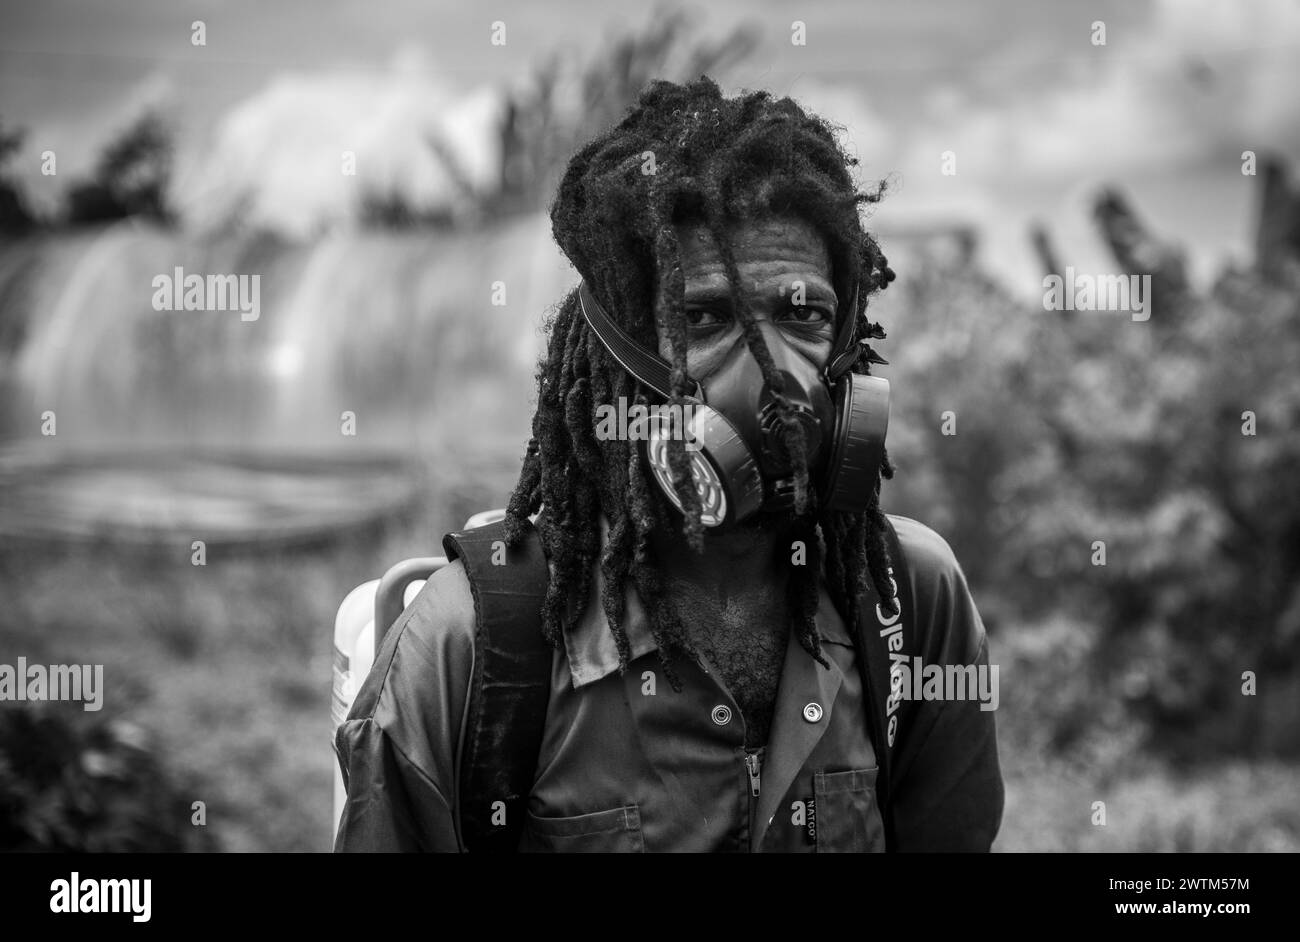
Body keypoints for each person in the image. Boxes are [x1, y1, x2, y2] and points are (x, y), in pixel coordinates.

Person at [333, 75, 1003, 853]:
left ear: (847, 340)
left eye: (804, 313)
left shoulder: (908, 603)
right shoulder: (472, 643)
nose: (769, 376)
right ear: (623, 348)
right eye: (704, 318)